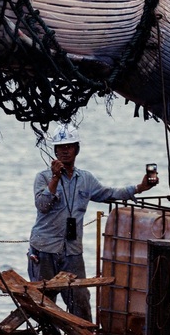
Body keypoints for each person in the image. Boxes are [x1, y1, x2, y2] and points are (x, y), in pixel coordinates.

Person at [30, 123, 158, 321]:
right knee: (44, 301)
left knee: (79, 298)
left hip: (72, 250)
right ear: (55, 151)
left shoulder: (85, 179)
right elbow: (42, 205)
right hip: (44, 249)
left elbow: (110, 193)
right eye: (61, 147)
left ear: (76, 149)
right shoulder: (43, 177)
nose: (65, 151)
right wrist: (55, 178)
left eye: (69, 146)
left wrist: (139, 188)